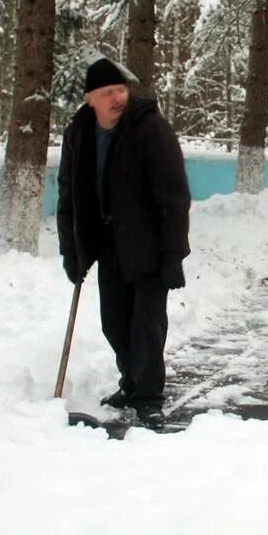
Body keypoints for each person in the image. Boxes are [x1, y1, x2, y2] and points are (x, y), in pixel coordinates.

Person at [57, 56, 191, 429]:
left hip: (148, 244)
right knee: (114, 323)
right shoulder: (79, 134)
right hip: (108, 243)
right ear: (90, 99)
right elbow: (68, 194)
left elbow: (174, 196)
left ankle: (148, 396)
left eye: (121, 90)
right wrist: (72, 249)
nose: (117, 98)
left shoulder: (150, 130)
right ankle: (131, 382)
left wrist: (173, 254)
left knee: (146, 324)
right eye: (107, 92)